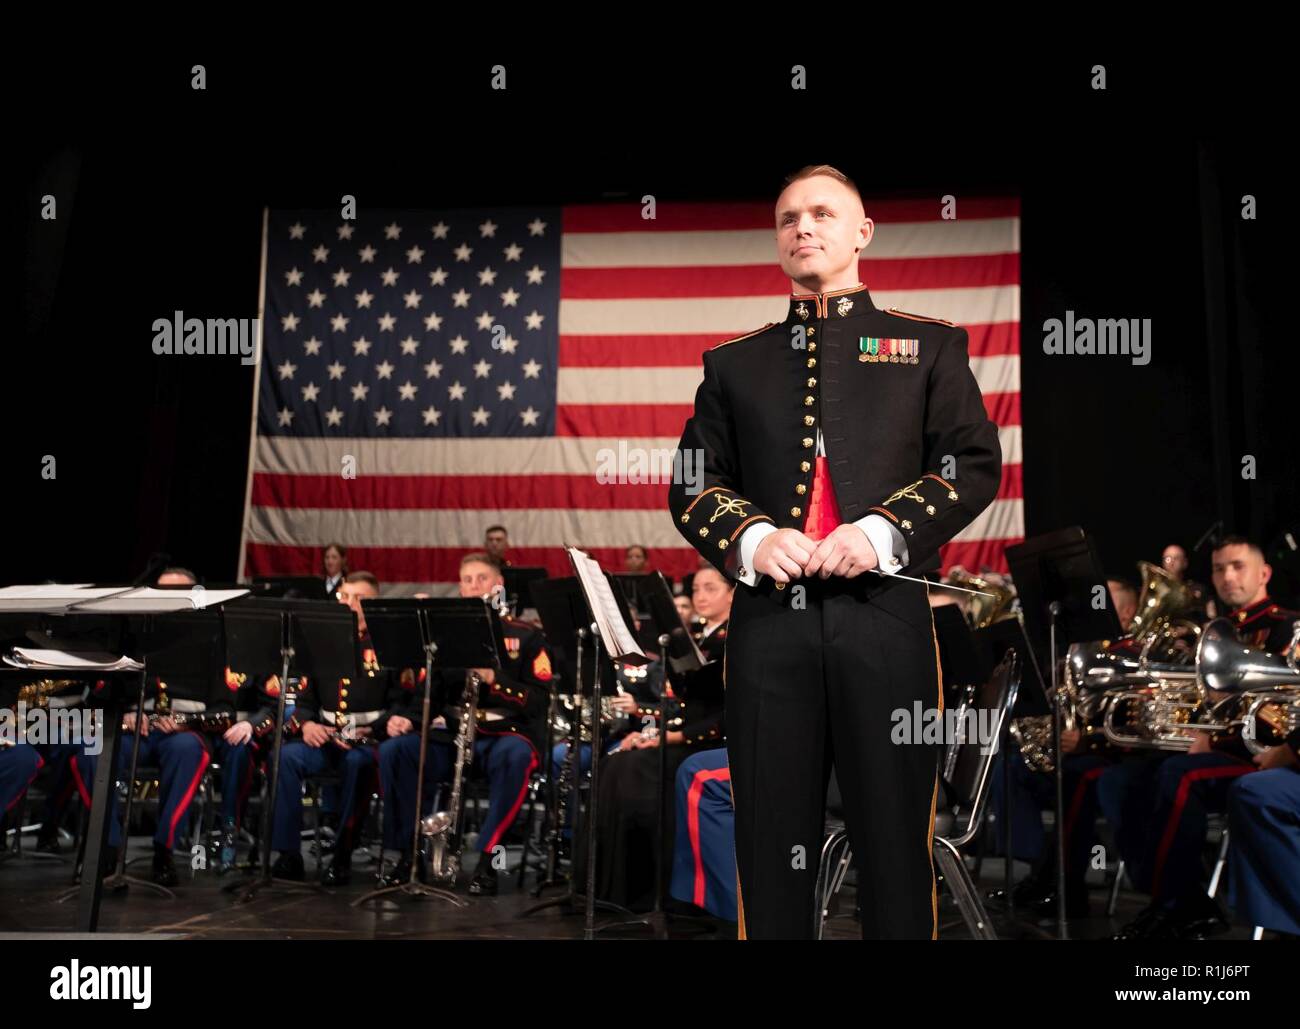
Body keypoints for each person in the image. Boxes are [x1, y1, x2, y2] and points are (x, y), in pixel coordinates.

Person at [666, 164, 1001, 938]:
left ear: (863, 233)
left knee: (893, 845)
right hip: (767, 634)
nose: (803, 228)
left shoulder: (928, 347)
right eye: (788, 218)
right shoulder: (732, 362)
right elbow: (691, 483)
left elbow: (972, 463)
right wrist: (752, 535)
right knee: (769, 841)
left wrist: (879, 530)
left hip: (883, 623)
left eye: (821, 213)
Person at [1106, 535, 1300, 938]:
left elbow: (1285, 705)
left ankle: (1175, 907)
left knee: (1181, 777)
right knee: (1120, 780)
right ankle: (1178, 895)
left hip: (1255, 754)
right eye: (1218, 568)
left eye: (1237, 566)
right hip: (1213, 750)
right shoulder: (1211, 632)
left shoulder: (1287, 626)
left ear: (1264, 573)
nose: (1227, 577)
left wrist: (1217, 735)